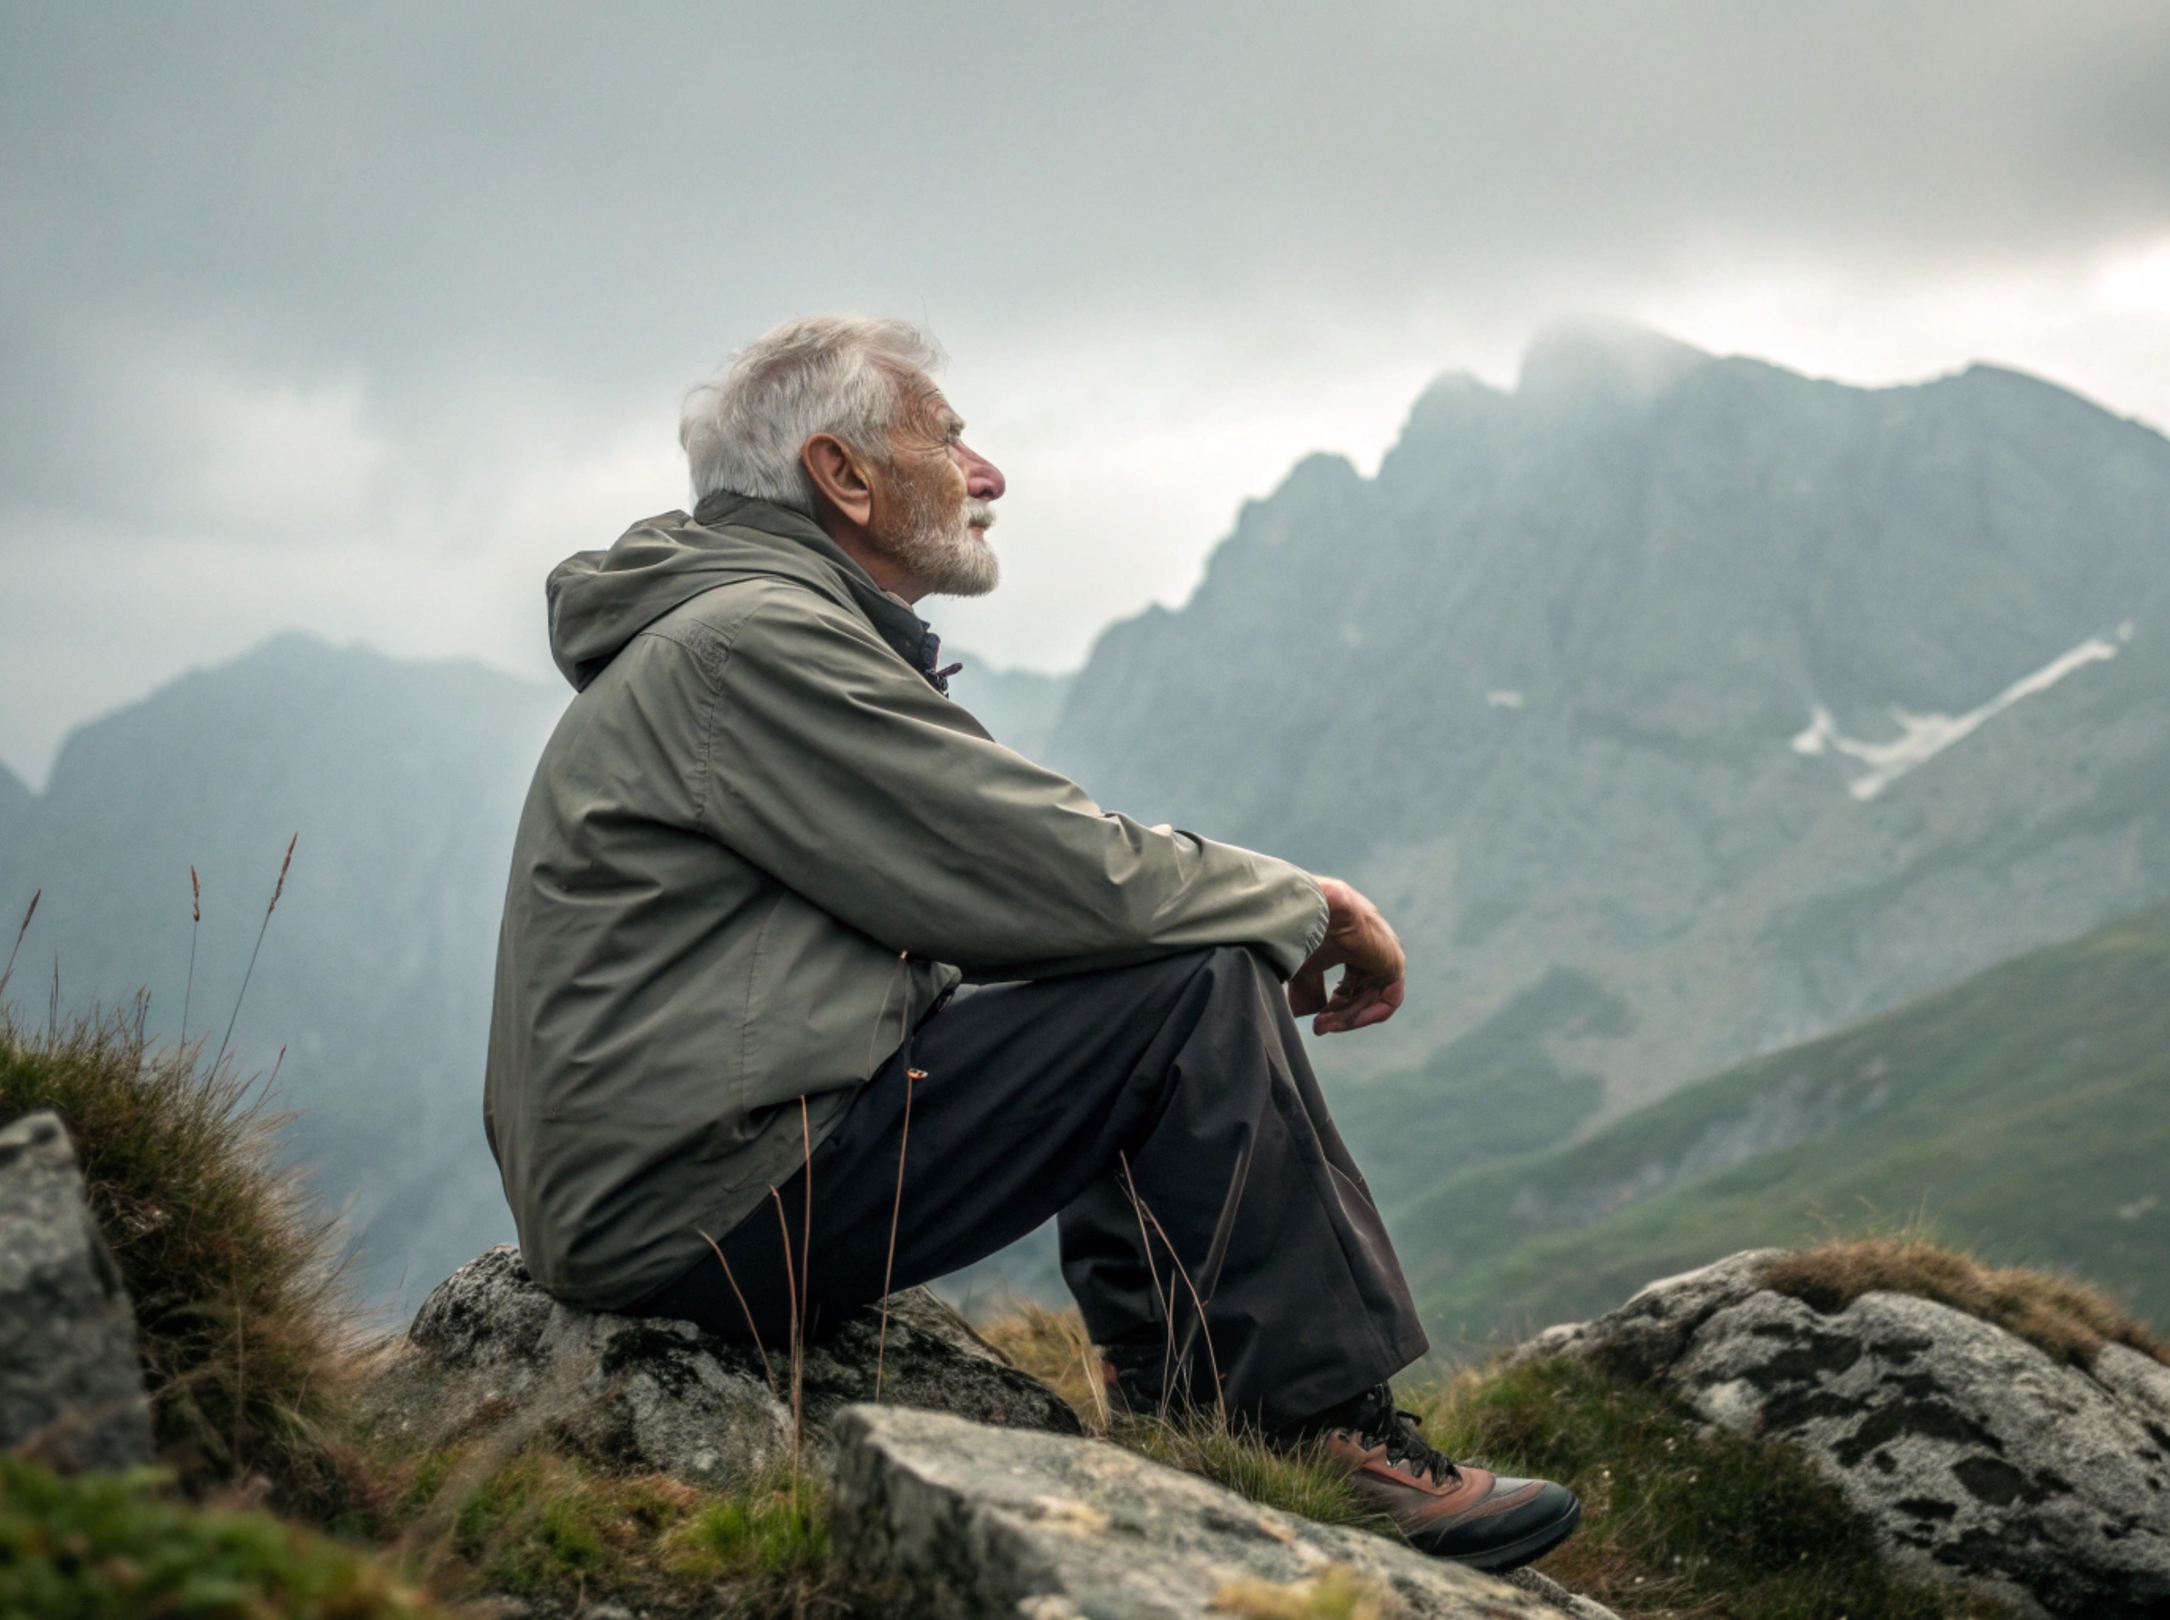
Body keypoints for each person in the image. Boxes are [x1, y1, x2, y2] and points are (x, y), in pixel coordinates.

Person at [483, 314, 1579, 1572]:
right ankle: (1298, 1428)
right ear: (841, 475)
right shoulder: (751, 644)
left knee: (1154, 969)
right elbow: (1049, 871)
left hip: (684, 1179)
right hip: (699, 1203)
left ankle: (1199, 1403)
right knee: (1195, 979)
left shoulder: (744, 632)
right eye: (949, 441)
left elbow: (1022, 894)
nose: (986, 475)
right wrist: (1314, 908)